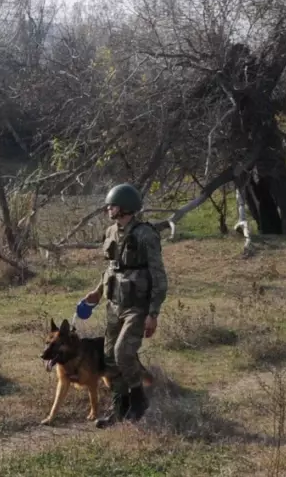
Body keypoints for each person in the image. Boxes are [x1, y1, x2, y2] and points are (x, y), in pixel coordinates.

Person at [82, 183, 168, 428]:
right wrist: (98, 292)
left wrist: (153, 313)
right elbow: (112, 267)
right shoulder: (111, 232)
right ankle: (120, 408)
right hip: (114, 303)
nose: (109, 208)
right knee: (109, 357)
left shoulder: (145, 235)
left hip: (137, 306)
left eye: (113, 205)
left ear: (126, 208)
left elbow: (159, 276)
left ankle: (138, 400)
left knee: (123, 353)